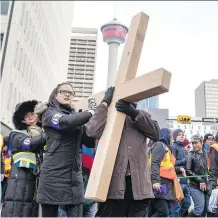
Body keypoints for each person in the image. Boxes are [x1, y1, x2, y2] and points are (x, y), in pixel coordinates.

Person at [85, 87, 160, 217]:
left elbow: (156, 133)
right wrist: (104, 104)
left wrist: (134, 113)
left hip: (139, 185)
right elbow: (92, 131)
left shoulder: (141, 115)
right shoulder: (107, 115)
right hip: (113, 183)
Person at [36, 82, 96, 217]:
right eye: (64, 91)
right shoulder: (49, 113)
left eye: (71, 92)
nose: (68, 94)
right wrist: (90, 112)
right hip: (52, 176)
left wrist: (95, 117)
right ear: (55, 95)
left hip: (74, 178)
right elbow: (65, 122)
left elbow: (90, 141)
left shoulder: (75, 117)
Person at [1, 100, 46, 217]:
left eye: (33, 114)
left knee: (32, 210)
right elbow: (30, 144)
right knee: (16, 210)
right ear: (22, 120)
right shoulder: (16, 134)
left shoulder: (43, 132)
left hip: (39, 180)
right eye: (27, 116)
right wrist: (49, 135)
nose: (31, 117)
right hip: (19, 179)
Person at [148, 128, 176, 217]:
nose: (172, 138)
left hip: (164, 183)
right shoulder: (160, 145)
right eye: (171, 136)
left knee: (153, 211)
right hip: (160, 183)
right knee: (163, 212)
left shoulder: (165, 147)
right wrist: (156, 181)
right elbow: (155, 163)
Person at [186, 135, 210, 217]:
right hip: (195, 185)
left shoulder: (206, 154)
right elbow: (188, 171)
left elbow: (208, 169)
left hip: (207, 185)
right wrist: (200, 180)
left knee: (206, 209)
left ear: (202, 142)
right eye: (193, 143)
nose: (194, 145)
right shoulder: (190, 154)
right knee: (199, 209)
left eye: (196, 143)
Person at [170, 129, 191, 217]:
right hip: (177, 180)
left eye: (183, 134)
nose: (182, 136)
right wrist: (184, 161)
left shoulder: (183, 148)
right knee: (176, 206)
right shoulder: (173, 147)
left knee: (187, 203)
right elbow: (172, 164)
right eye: (179, 134)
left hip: (185, 180)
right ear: (175, 137)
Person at [1, 136, 11, 203]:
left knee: (4, 187)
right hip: (3, 173)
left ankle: (2, 199)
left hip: (6, 174)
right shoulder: (3, 152)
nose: (4, 148)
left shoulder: (9, 153)